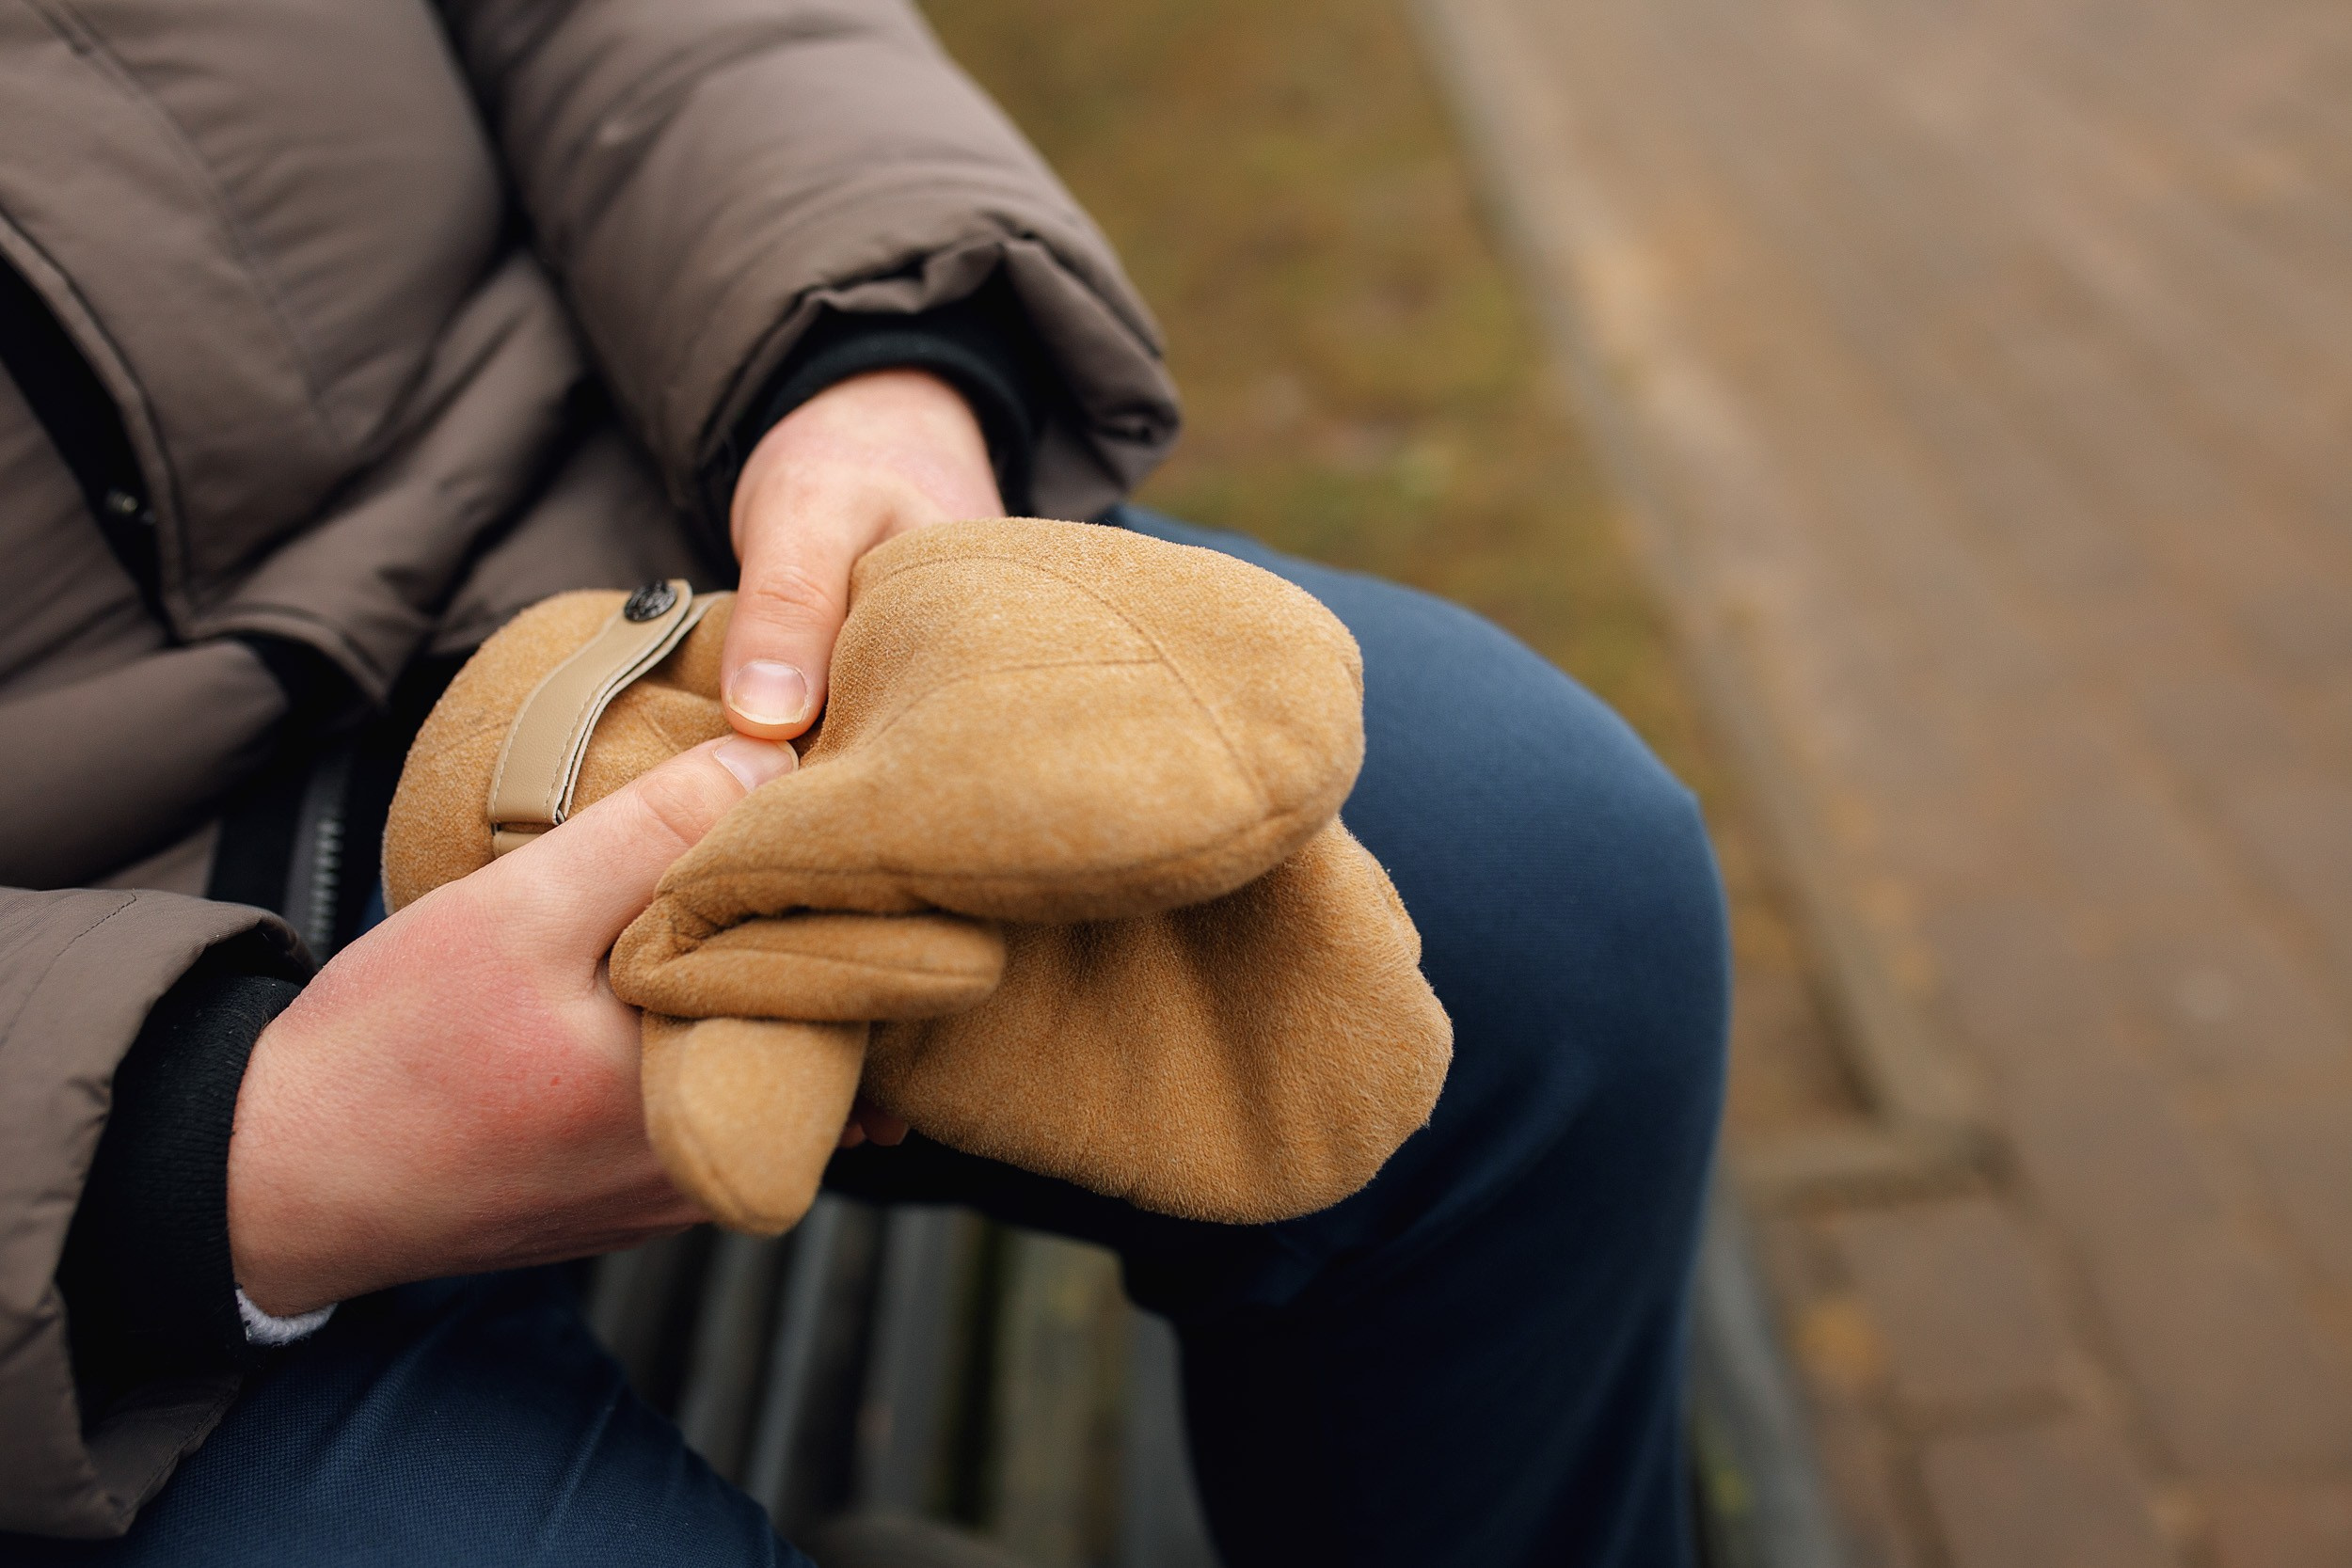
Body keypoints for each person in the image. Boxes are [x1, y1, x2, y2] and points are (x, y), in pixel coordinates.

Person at [0, 3, 1728, 1563]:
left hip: (629, 561)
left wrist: (868, 358)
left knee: (1557, 893)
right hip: (89, 1147)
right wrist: (201, 1158)